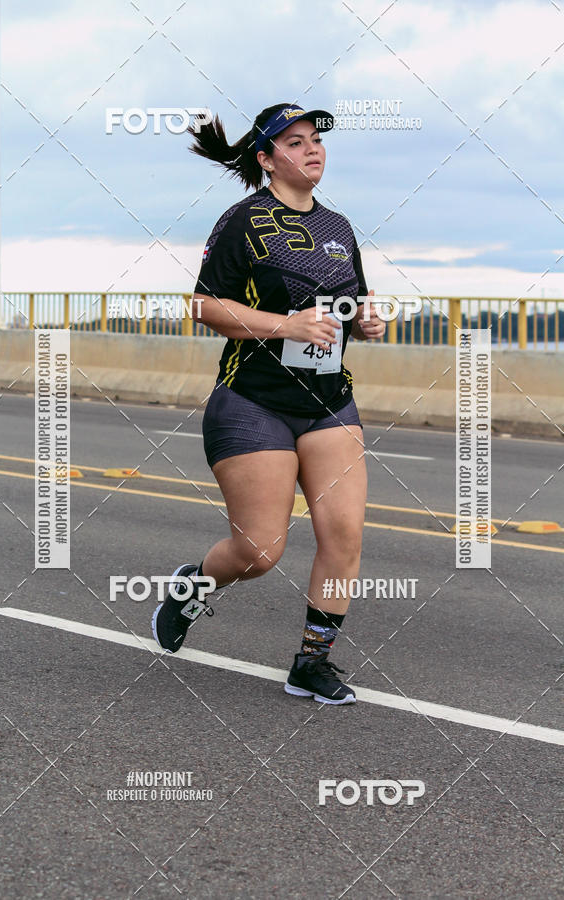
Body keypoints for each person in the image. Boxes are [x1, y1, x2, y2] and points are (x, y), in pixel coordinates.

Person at [152, 103, 386, 705]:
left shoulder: (339, 228)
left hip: (329, 402)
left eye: (316, 141)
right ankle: (193, 586)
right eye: (296, 142)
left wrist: (365, 321)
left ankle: (312, 663)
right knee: (260, 550)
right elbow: (205, 307)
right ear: (265, 159)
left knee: (344, 535)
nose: (313, 150)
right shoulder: (244, 221)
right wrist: (284, 325)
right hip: (253, 401)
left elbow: (348, 305)